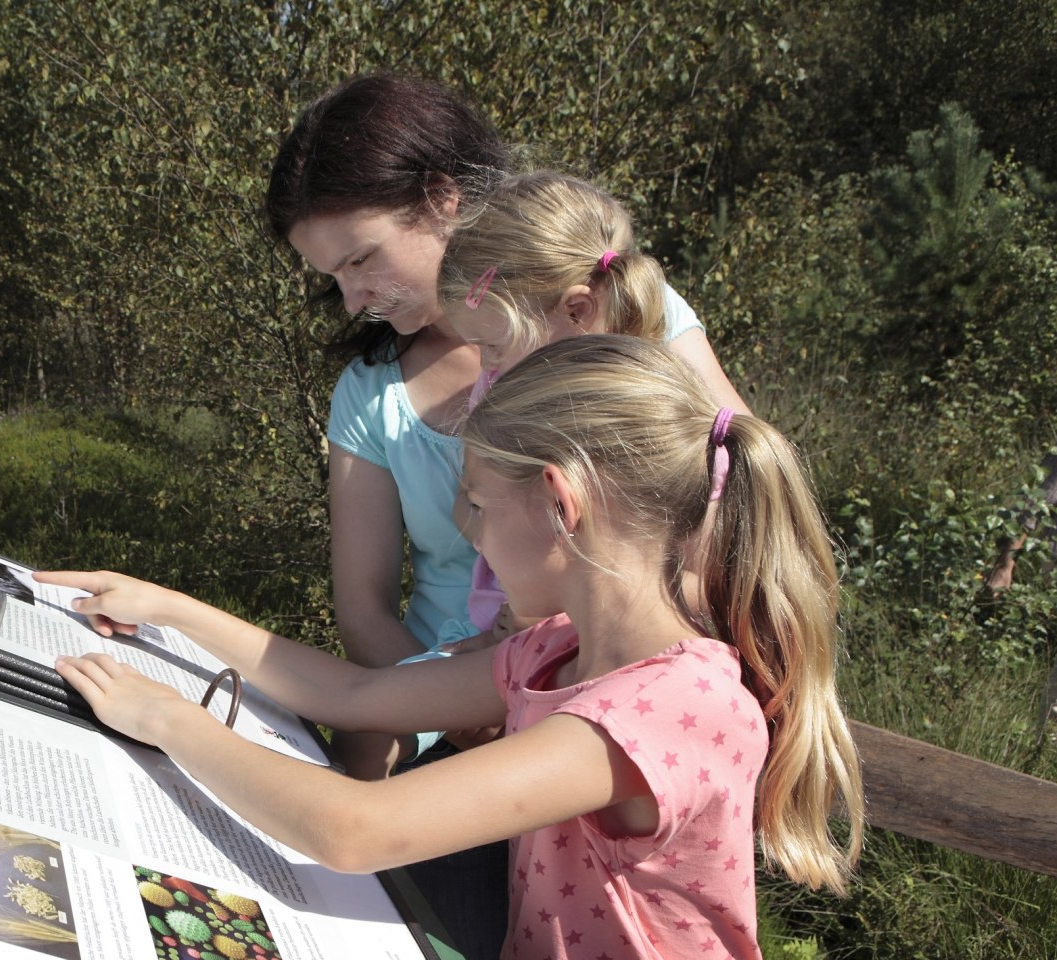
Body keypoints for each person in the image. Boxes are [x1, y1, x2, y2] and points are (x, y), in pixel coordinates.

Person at [44, 336, 863, 960]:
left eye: (474, 503)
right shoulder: (556, 652)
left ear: (559, 503)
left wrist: (168, 719)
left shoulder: (671, 708)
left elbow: (354, 828)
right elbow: (356, 697)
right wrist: (171, 610)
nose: (469, 538)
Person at [266, 74, 748, 780]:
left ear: (441, 199)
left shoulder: (616, 303)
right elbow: (363, 607)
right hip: (442, 695)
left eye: (362, 259)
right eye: (333, 276)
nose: (351, 300)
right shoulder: (370, 395)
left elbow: (733, 495)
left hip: (614, 688)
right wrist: (456, 706)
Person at [434, 169, 752, 640]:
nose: (484, 364)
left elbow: (716, 578)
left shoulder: (652, 416)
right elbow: (471, 500)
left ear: (577, 310)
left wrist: (558, 610)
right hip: (514, 635)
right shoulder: (498, 388)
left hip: (624, 654)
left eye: (494, 343)